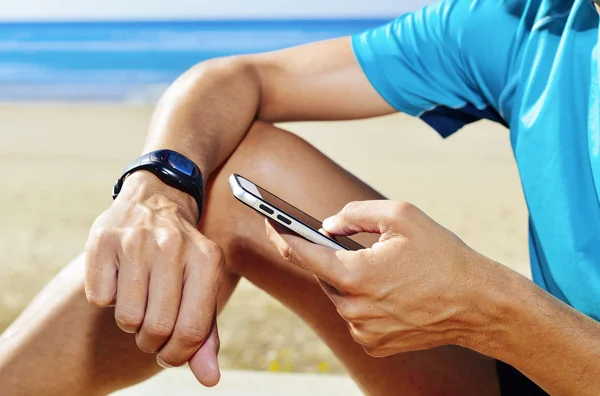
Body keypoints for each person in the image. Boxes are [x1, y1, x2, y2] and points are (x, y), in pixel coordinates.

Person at [1, 0, 600, 394]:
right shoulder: (534, 21)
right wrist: (157, 187)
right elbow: (239, 79)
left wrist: (492, 309)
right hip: (535, 371)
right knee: (233, 174)